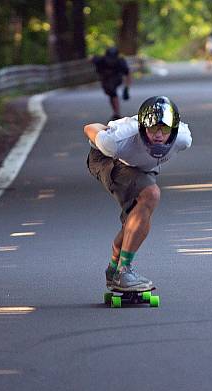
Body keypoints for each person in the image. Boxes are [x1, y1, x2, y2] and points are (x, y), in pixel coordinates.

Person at [84, 96, 192, 291]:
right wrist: (101, 137)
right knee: (151, 194)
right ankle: (124, 272)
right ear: (142, 128)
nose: (159, 135)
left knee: (136, 219)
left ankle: (114, 270)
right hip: (107, 158)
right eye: (152, 129)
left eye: (165, 129)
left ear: (173, 129)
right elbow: (89, 127)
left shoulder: (183, 138)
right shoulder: (121, 136)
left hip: (140, 167)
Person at [91, 47, 132, 120]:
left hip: (115, 79)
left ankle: (117, 113)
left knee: (112, 93)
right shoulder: (101, 60)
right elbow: (91, 59)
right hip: (106, 80)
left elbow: (127, 73)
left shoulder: (119, 61)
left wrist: (126, 88)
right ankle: (116, 112)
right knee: (111, 94)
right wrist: (127, 87)